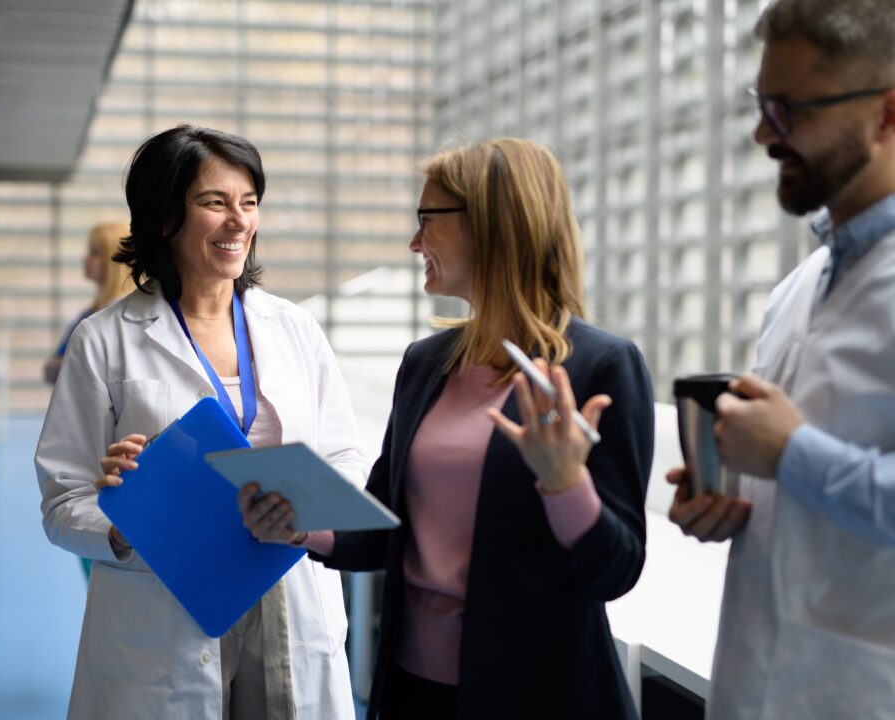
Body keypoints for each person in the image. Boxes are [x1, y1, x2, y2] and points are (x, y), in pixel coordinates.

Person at [243, 138, 654, 719]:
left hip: (536, 697)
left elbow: (615, 569)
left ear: (493, 225)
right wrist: (301, 528)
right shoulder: (426, 363)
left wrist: (566, 486)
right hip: (412, 691)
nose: (415, 243)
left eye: (427, 221)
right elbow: (385, 522)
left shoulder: (599, 366)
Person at [34, 125, 368, 720]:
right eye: (214, 203)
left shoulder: (294, 329)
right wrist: (121, 522)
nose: (238, 221)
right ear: (164, 218)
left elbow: (346, 460)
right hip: (164, 598)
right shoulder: (105, 339)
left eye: (249, 203)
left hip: (287, 590)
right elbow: (63, 500)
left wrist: (305, 507)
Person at [666, 1, 895, 717]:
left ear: (887, 115)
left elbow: (800, 454)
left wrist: (792, 452)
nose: (765, 133)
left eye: (790, 110)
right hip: (753, 681)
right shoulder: (797, 289)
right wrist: (734, 507)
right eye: (762, 104)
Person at [42, 221, 132, 386]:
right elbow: (51, 369)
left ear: (113, 259)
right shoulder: (90, 314)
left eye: (94, 252)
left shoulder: (124, 316)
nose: (85, 259)